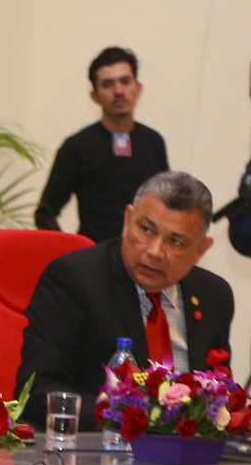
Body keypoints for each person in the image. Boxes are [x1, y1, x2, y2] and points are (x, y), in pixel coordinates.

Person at [16, 171, 233, 431]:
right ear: (127, 220)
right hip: (100, 448)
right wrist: (138, 422)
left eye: (175, 241)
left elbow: (218, 392)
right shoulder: (75, 280)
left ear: (201, 249)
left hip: (189, 452)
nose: (154, 251)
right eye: (146, 230)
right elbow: (39, 392)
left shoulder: (214, 295)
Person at [35, 46, 169, 243]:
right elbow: (45, 214)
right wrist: (74, 253)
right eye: (108, 84)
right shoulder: (76, 147)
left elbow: (167, 206)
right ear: (95, 96)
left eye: (125, 81)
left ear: (138, 88)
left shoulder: (154, 142)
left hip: (144, 255)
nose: (119, 91)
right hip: (94, 256)